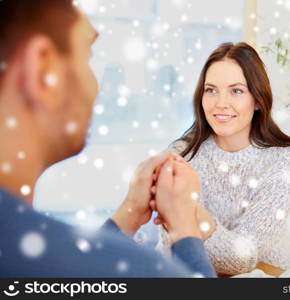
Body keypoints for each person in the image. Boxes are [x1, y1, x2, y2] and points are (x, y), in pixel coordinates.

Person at [0, 0, 215, 278]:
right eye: (87, 57)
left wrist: (127, 215)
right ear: (43, 72)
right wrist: (184, 227)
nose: (96, 86)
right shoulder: (143, 271)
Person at [157, 42, 290, 276]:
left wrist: (191, 212)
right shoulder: (181, 153)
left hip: (269, 274)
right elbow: (174, 252)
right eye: (211, 90)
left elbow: (243, 260)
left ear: (258, 100)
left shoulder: (286, 159)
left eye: (236, 90)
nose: (220, 103)